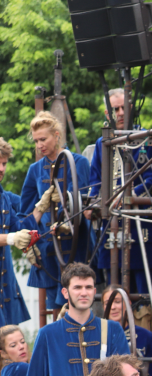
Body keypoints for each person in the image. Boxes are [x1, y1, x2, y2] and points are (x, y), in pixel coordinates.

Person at [88, 88, 152, 295]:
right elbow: (95, 180)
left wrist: (125, 197)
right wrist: (93, 204)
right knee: (113, 292)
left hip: (143, 227)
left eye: (125, 107)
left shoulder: (150, 138)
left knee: (144, 293)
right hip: (111, 228)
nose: (121, 112)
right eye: (116, 109)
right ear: (108, 114)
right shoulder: (101, 143)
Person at [19, 111, 92, 310]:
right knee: (56, 311)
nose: (39, 145)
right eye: (36, 141)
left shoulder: (79, 162)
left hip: (77, 247)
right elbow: (24, 215)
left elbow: (85, 203)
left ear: (57, 135)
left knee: (78, 306)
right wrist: (29, 245)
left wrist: (67, 199)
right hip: (48, 251)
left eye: (43, 139)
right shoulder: (35, 169)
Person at [0, 138, 32, 327]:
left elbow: (20, 226)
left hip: (5, 288)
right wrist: (12, 238)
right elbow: (14, 236)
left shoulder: (3, 198)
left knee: (10, 346)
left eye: (4, 163)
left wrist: (42, 206)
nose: (2, 168)